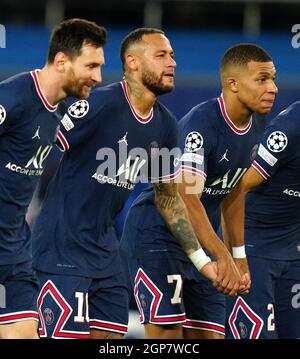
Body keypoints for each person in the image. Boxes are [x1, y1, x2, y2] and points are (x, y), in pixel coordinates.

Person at [31, 28, 241, 340]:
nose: (172, 63)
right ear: (133, 62)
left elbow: (168, 200)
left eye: (172, 56)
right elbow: (37, 141)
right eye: (161, 55)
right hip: (62, 249)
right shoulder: (96, 105)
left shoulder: (165, 125)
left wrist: (202, 262)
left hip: (107, 256)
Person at [120, 43, 278, 339]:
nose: (272, 88)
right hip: (157, 237)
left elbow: (233, 191)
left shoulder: (257, 123)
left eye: (273, 79)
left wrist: (238, 255)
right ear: (232, 83)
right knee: (167, 338)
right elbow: (187, 197)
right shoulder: (201, 126)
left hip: (203, 240)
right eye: (262, 79)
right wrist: (222, 256)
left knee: (211, 335)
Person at [0, 18, 107, 339]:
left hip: (13, 252)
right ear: (62, 61)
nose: (98, 77)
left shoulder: (62, 111)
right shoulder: (13, 98)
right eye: (91, 65)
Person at [225, 100, 300, 339]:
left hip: (291, 251)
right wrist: (235, 254)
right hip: (254, 249)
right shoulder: (289, 129)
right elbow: (235, 188)